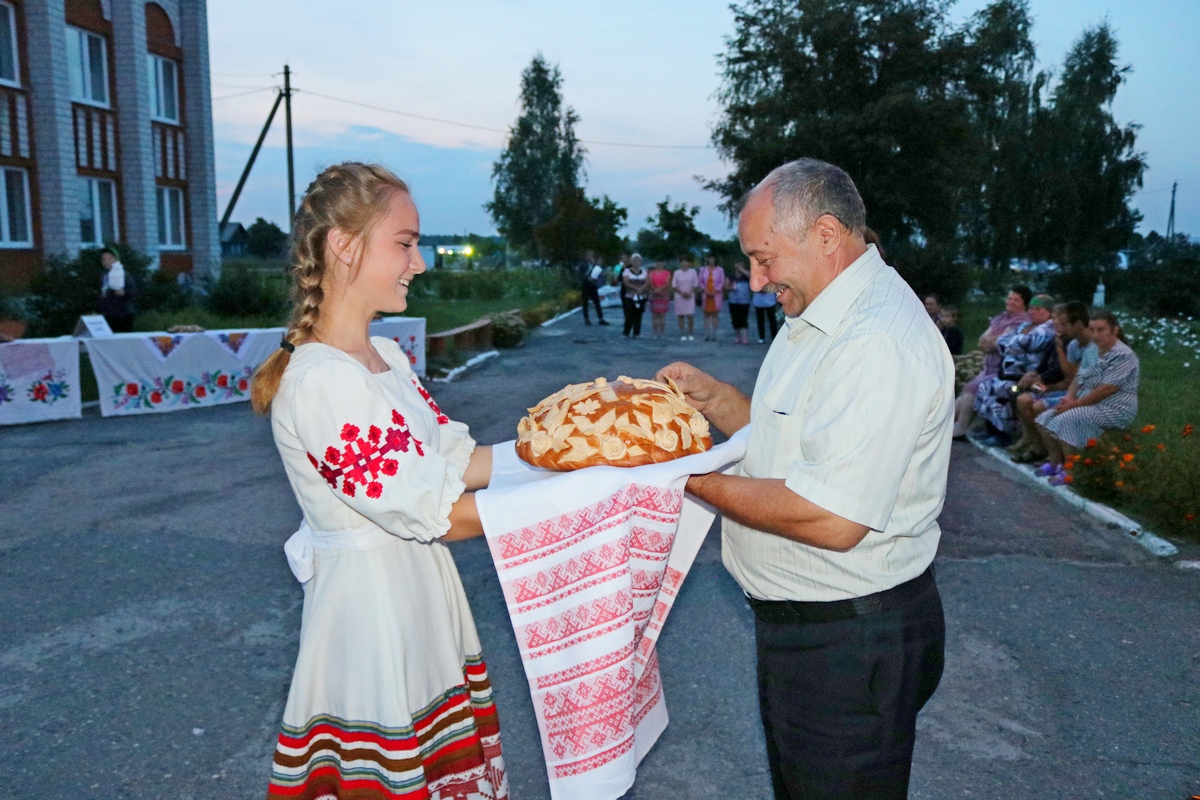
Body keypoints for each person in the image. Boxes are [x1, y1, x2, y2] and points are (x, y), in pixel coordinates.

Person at [659, 158, 951, 799]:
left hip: (848, 641)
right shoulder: (823, 313)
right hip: (820, 634)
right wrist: (717, 400)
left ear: (825, 235)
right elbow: (789, 440)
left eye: (765, 259)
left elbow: (831, 516)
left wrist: (675, 480)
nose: (758, 282)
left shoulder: (873, 341)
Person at [250, 163, 507, 799]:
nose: (418, 263)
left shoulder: (384, 359)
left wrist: (577, 447)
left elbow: (457, 462)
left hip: (419, 591)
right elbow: (440, 513)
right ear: (344, 245)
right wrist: (580, 504)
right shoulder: (319, 383)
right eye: (405, 242)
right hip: (370, 613)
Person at [1035, 310, 1139, 484]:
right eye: (1093, 330)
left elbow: (1107, 389)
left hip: (1114, 407)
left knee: (1067, 419)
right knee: (1044, 418)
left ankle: (1072, 470)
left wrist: (1073, 406)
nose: (1096, 335)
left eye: (1101, 330)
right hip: (1087, 402)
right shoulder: (1092, 350)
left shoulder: (1124, 355)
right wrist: (1068, 397)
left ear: (1114, 330)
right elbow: (1079, 377)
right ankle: (1054, 463)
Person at [1008, 301, 1096, 461]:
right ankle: (1038, 447)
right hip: (1066, 388)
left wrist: (1046, 383)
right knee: (1021, 397)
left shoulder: (1084, 344)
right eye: (1055, 318)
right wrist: (1035, 376)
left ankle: (1058, 458)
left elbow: (1069, 376)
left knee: (1038, 405)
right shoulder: (1069, 343)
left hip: (1079, 391)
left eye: (1062, 321)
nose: (1055, 323)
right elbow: (1066, 373)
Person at [972, 294, 1057, 443]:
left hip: (1026, 378)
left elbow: (1020, 343)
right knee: (985, 387)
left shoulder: (1048, 329)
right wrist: (1010, 343)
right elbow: (1004, 342)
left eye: (1038, 309)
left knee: (1000, 391)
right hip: (1007, 374)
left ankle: (1004, 435)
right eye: (1031, 308)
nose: (1033, 312)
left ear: (1049, 312)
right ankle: (992, 431)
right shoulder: (1025, 325)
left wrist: (1010, 343)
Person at [951, 285, 1032, 439]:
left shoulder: (1021, 321)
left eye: (1016, 300)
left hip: (1003, 369)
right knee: (965, 392)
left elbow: (1001, 343)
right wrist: (991, 342)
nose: (1011, 302)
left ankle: (961, 428)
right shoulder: (1002, 318)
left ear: (1024, 304)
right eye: (1009, 298)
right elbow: (982, 340)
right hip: (988, 366)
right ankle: (940, 424)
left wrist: (992, 342)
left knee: (973, 387)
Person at [98, 247, 135, 332]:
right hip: (108, 315)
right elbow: (101, 293)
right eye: (103, 259)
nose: (106, 261)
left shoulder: (124, 274)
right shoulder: (103, 275)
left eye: (109, 259)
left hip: (123, 315)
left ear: (116, 260)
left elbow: (134, 292)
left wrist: (124, 292)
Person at [699, 254, 727, 341]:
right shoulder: (702, 269)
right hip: (706, 295)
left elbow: (722, 282)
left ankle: (714, 334)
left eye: (713, 259)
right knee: (706, 315)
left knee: (715, 315)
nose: (711, 260)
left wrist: (715, 290)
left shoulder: (720, 270)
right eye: (710, 259)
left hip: (716, 295)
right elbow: (700, 282)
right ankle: (707, 334)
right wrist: (705, 290)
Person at [578, 249, 609, 326]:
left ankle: (601, 318)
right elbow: (579, 275)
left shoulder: (595, 265)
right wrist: (586, 278)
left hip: (593, 285)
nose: (590, 257)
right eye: (589, 255)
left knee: (597, 302)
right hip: (585, 285)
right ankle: (586, 318)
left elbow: (599, 272)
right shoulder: (583, 264)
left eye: (591, 255)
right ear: (586, 256)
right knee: (585, 302)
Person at [621, 253, 649, 337]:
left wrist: (642, 288)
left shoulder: (644, 271)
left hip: (641, 295)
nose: (636, 263)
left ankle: (636, 332)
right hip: (630, 295)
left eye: (638, 261)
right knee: (629, 314)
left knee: (639, 314)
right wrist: (636, 288)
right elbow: (626, 282)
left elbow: (647, 282)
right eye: (634, 261)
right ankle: (626, 332)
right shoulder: (627, 271)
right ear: (631, 262)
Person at [672, 255, 699, 340]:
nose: (684, 263)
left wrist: (690, 292)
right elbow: (674, 285)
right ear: (680, 263)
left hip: (690, 296)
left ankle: (690, 334)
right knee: (681, 316)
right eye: (682, 262)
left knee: (690, 315)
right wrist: (682, 293)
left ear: (689, 263)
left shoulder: (693, 272)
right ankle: (682, 334)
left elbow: (695, 284)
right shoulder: (676, 272)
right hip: (680, 296)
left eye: (686, 261)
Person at [727, 260, 753, 344]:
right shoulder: (731, 276)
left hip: (744, 301)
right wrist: (731, 288)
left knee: (744, 319)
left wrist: (741, 270)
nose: (738, 266)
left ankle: (744, 337)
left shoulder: (746, 275)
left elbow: (751, 276)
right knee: (735, 319)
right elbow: (726, 286)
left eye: (741, 265)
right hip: (733, 301)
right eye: (737, 265)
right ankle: (737, 337)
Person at [648, 259, 673, 338]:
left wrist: (659, 289)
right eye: (657, 263)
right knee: (655, 315)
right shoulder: (651, 273)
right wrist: (655, 289)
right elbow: (650, 282)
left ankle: (662, 333)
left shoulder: (667, 273)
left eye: (660, 263)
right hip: (654, 295)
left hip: (663, 295)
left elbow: (667, 283)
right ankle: (655, 333)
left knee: (662, 315)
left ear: (663, 263)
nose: (659, 264)